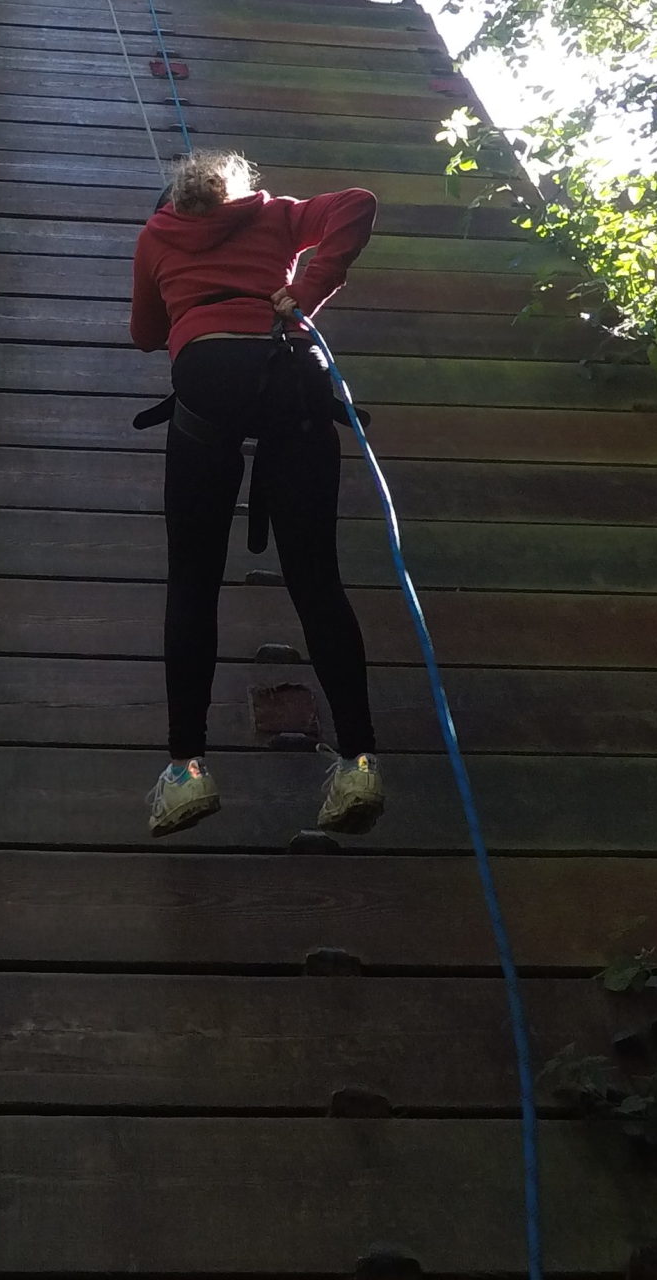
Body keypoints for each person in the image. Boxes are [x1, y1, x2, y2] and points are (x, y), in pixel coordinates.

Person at [129, 148, 383, 838]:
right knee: (317, 580)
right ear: (241, 188)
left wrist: (187, 295)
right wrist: (307, 288)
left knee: (193, 581)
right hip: (288, 369)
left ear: (176, 197)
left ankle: (186, 773)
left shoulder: (157, 233)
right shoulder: (276, 216)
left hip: (207, 379)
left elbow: (146, 334)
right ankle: (360, 764)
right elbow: (357, 202)